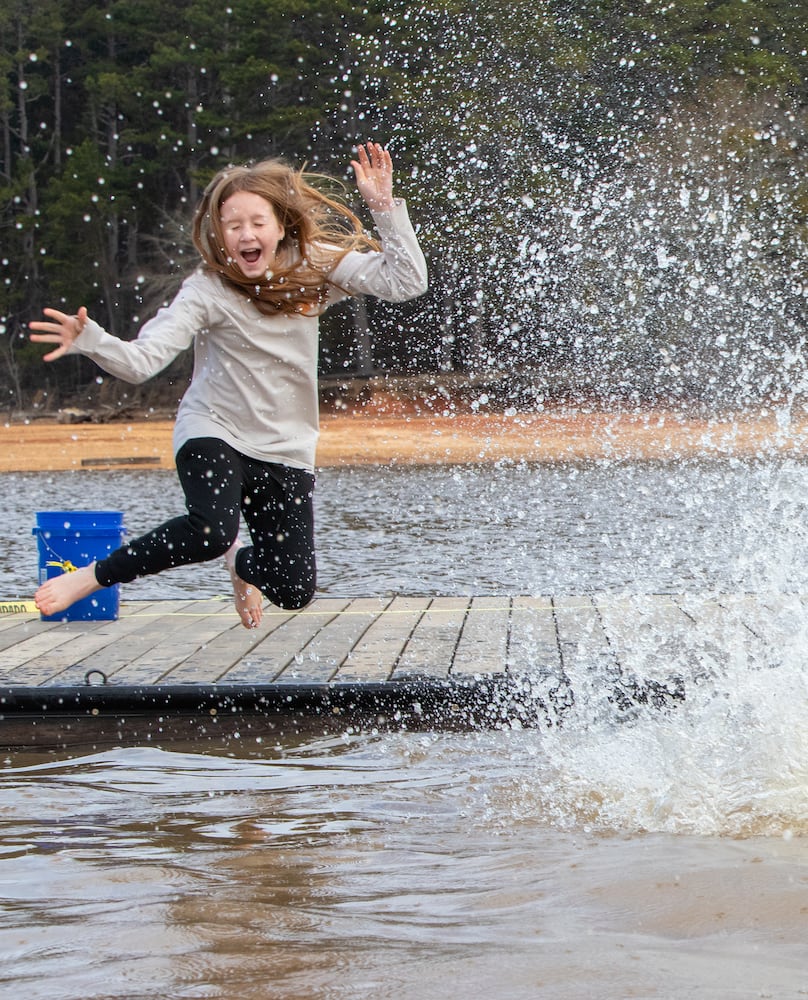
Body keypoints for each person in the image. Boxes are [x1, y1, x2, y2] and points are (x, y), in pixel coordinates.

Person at [29, 141, 428, 628]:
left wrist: (385, 209)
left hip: (286, 444)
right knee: (210, 531)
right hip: (213, 428)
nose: (246, 235)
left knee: (293, 589)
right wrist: (92, 339)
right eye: (233, 225)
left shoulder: (315, 263)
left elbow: (406, 282)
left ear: (280, 226)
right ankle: (93, 576)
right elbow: (141, 361)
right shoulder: (207, 289)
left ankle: (240, 564)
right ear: (219, 234)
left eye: (257, 223)